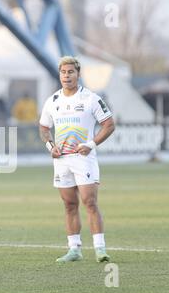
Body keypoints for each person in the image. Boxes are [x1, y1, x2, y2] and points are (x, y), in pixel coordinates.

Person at [39, 56, 115, 263]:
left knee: (90, 202)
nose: (66, 76)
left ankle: (100, 248)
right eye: (63, 72)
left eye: (70, 72)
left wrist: (90, 144)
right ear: (59, 75)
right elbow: (44, 127)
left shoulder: (90, 98)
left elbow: (109, 124)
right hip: (62, 160)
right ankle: (74, 249)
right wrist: (50, 146)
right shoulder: (53, 100)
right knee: (69, 204)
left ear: (78, 74)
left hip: (84, 159)